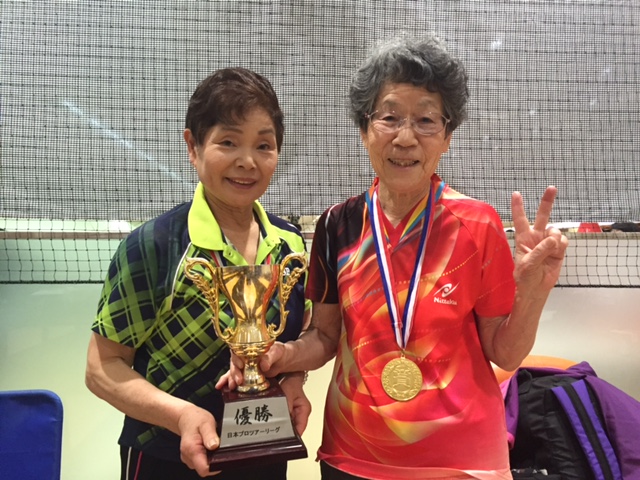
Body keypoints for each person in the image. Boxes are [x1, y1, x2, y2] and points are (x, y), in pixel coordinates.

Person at [228, 34, 569, 479]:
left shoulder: (477, 224)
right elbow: (326, 337)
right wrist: (279, 356)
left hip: (463, 461)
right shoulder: (337, 225)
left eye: (426, 120)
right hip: (354, 455)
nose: (405, 138)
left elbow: (504, 353)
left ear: (447, 136)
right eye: (389, 117)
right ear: (365, 129)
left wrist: (533, 293)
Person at [85, 67, 311, 480]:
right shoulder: (153, 246)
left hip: (264, 448)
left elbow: (298, 337)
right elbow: (102, 368)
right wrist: (180, 416)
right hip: (164, 457)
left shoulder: (290, 244)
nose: (247, 161)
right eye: (228, 142)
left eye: (264, 145)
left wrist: (293, 378)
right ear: (193, 146)